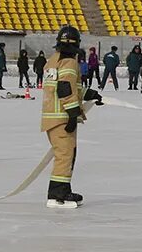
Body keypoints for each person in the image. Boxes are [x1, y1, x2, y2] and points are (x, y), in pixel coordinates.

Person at [41, 25, 102, 209]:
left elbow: (65, 87)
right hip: (62, 117)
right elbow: (65, 89)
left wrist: (88, 93)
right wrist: (73, 113)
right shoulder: (69, 62)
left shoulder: (52, 61)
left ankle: (61, 190)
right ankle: (58, 195)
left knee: (63, 155)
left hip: (51, 117)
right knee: (65, 156)